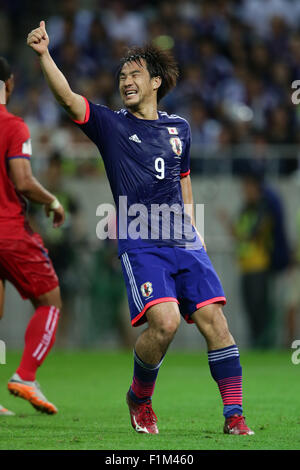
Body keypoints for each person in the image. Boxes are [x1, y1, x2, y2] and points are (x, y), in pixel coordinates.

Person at [27, 20, 254, 435]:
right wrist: (45, 56)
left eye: (134, 75)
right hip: (140, 238)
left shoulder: (179, 129)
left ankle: (234, 416)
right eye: (121, 76)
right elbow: (68, 99)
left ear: (155, 82)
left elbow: (182, 178)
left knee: (216, 322)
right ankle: (139, 397)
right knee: (164, 323)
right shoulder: (112, 125)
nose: (126, 81)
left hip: (182, 237)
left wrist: (192, 223)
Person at [0, 56, 65, 415]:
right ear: (8, 84)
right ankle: (25, 375)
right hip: (8, 232)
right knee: (50, 301)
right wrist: (52, 200)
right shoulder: (12, 125)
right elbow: (23, 182)